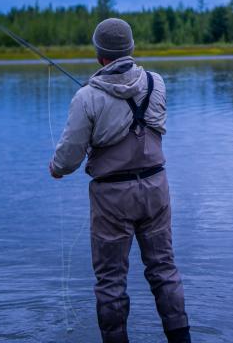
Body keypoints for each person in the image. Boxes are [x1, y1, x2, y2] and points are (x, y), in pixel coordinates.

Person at [49, 18, 191, 343]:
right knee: (164, 270)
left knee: (111, 281)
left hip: (112, 198)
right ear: (131, 49)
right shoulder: (157, 83)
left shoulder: (86, 97)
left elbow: (69, 158)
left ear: (99, 55)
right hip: (156, 189)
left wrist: (56, 168)